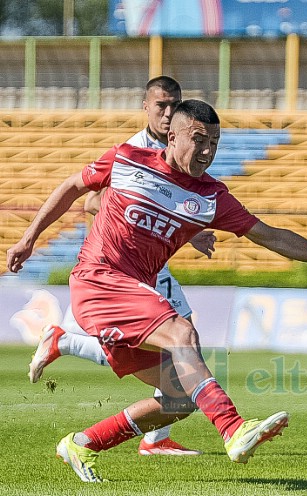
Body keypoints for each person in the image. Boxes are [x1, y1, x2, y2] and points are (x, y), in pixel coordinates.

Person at [6, 99, 307, 483]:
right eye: (199, 140)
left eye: (214, 142)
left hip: (133, 292)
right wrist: (29, 239)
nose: (208, 151)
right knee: (183, 332)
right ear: (171, 135)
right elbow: (73, 188)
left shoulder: (211, 196)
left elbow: (269, 235)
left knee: (180, 398)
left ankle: (82, 442)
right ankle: (233, 428)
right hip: (99, 280)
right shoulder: (127, 159)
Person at [28, 76, 211, 455]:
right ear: (145, 107)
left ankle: (154, 436)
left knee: (181, 347)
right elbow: (92, 202)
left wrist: (186, 229)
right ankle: (70, 345)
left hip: (153, 263)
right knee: (178, 346)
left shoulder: (180, 149)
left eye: (174, 104)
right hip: (125, 267)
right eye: (160, 105)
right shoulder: (134, 151)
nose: (167, 112)